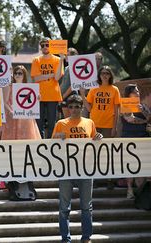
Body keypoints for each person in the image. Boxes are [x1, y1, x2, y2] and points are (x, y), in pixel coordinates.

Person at [52, 95, 103, 243]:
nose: (73, 109)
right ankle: (65, 239)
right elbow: (51, 144)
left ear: (81, 108)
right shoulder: (61, 123)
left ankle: (86, 238)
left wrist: (98, 137)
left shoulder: (89, 122)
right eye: (71, 106)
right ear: (67, 108)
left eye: (77, 106)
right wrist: (57, 136)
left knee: (87, 206)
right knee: (64, 207)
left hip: (85, 169)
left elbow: (94, 140)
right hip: (66, 169)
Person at [31, 37, 65, 138]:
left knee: (51, 124)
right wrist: (51, 75)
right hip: (39, 96)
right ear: (40, 48)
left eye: (47, 45)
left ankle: (50, 144)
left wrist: (62, 59)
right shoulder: (36, 60)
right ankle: (39, 143)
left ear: (51, 46)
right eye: (43, 45)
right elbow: (36, 78)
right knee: (39, 123)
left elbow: (57, 77)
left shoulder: (58, 60)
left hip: (53, 95)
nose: (45, 47)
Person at [120, 84, 149, 199]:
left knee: (142, 164)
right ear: (129, 93)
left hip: (142, 137)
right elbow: (130, 119)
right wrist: (144, 121)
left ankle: (141, 192)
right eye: (135, 91)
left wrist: (144, 112)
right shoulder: (126, 103)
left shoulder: (141, 105)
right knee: (130, 164)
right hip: (129, 137)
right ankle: (130, 189)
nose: (138, 93)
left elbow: (149, 117)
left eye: (138, 91)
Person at [1, 65, 41, 140]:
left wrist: (37, 98)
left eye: (20, 73)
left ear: (24, 75)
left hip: (26, 117)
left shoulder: (29, 87)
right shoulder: (9, 86)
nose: (17, 75)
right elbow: (5, 102)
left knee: (27, 139)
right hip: (12, 116)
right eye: (15, 73)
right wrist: (10, 111)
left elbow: (32, 103)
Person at [81, 66, 121, 138]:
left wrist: (114, 127)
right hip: (94, 123)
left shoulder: (115, 90)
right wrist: (83, 95)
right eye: (102, 73)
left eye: (107, 73)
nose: (104, 75)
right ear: (99, 75)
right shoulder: (93, 88)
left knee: (107, 147)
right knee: (94, 147)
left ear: (110, 75)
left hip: (108, 125)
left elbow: (116, 111)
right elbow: (89, 109)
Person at [59, 48, 79, 118]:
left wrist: (63, 96)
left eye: (67, 55)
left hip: (71, 96)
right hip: (64, 96)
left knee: (70, 119)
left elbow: (73, 86)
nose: (65, 56)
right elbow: (63, 82)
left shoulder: (76, 67)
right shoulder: (67, 67)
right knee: (65, 120)